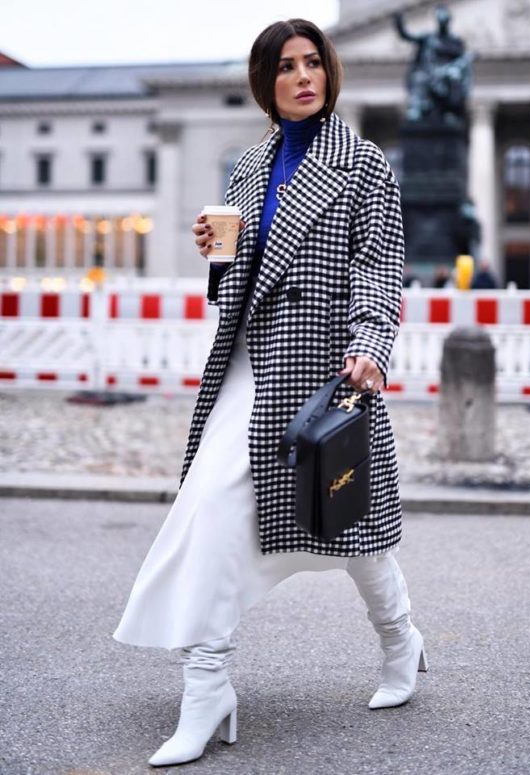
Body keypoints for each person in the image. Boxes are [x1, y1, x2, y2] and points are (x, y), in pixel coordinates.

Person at [113, 18, 428, 768]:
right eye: (286, 66)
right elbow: (241, 280)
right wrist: (216, 257)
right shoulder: (251, 165)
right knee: (214, 512)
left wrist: (370, 345)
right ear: (266, 82)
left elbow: (378, 266)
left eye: (312, 62)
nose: (303, 76)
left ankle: (401, 642)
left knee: (350, 527)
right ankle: (207, 685)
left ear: (329, 71)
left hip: (324, 369)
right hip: (249, 367)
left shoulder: (363, 162)